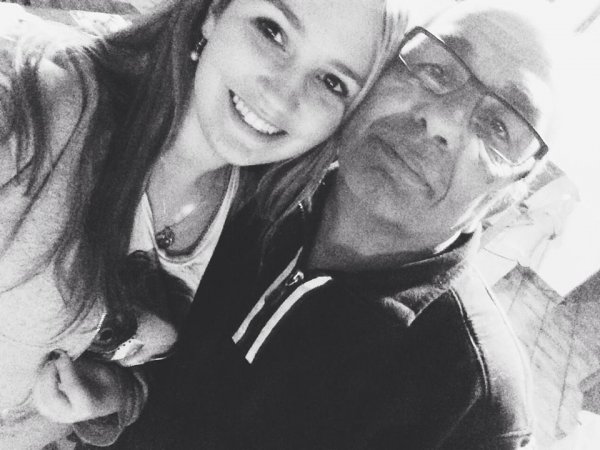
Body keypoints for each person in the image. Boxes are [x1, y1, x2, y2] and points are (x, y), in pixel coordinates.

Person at [110, 0, 563, 448]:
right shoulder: (243, 177)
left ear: (511, 193)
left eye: (499, 127)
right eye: (436, 69)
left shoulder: (473, 406)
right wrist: (116, 393)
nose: (441, 120)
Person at [0, 0, 404, 447]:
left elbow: (158, 371)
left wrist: (113, 393)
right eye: (272, 31)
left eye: (332, 82)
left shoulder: (258, 230)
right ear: (213, 12)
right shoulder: (37, 103)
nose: (281, 95)